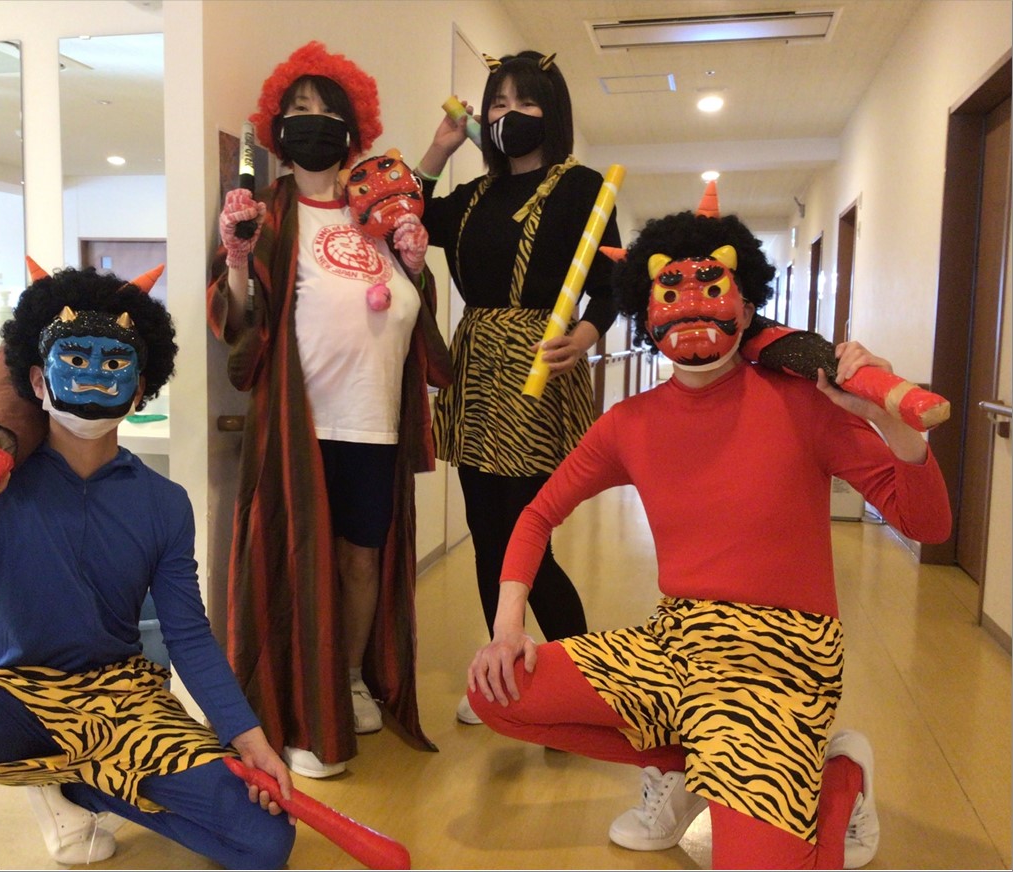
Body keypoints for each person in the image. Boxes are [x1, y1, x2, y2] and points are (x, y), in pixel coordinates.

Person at [465, 209, 953, 869]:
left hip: (783, 661)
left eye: (712, 286)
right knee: (496, 689)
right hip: (679, 643)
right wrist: (507, 628)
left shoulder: (805, 403)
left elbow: (927, 525)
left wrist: (886, 421)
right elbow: (536, 515)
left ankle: (840, 777)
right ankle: (693, 767)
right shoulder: (628, 424)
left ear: (747, 306)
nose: (691, 305)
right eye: (669, 291)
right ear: (644, 311)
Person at [0, 266, 297, 870]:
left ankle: (88, 787)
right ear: (37, 379)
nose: (94, 374)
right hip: (19, 703)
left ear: (141, 387)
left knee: (266, 841)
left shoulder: (164, 503)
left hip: (126, 706)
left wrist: (248, 738)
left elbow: (189, 635)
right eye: (74, 358)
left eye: (115, 362)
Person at [206, 41, 451, 780]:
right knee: (300, 563)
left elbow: (411, 312)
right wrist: (238, 259)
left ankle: (345, 678)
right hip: (300, 427)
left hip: (374, 420)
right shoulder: (270, 212)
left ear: (353, 128)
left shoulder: (374, 206)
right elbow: (240, 324)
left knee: (361, 560)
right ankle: (300, 705)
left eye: (325, 111)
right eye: (297, 110)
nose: (311, 122)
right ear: (276, 127)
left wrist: (414, 266)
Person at [414, 50, 622, 725]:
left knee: (529, 538)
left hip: (542, 370)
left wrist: (584, 337)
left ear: (551, 112)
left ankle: (578, 683)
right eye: (498, 103)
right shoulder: (473, 197)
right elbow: (404, 217)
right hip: (479, 369)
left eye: (525, 102)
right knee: (486, 531)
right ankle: (503, 674)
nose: (510, 115)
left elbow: (612, 284)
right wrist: (440, 149)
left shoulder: (583, 187)